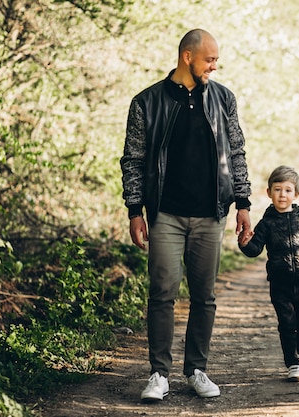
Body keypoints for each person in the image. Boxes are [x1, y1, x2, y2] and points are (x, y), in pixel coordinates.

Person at [120, 29, 252, 402]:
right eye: (210, 59)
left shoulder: (224, 98)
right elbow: (133, 160)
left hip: (211, 215)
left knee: (204, 296)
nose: (215, 66)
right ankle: (158, 375)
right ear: (188, 57)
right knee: (162, 293)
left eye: (216, 61)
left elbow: (237, 152)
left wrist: (243, 202)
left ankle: (196, 370)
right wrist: (135, 209)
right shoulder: (146, 102)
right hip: (165, 215)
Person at [238, 165, 299, 382]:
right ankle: (292, 363)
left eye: (288, 190)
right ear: (269, 192)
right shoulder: (267, 223)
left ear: (296, 194)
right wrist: (244, 243)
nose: (283, 194)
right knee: (287, 323)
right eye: (278, 189)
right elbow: (254, 250)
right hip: (279, 283)